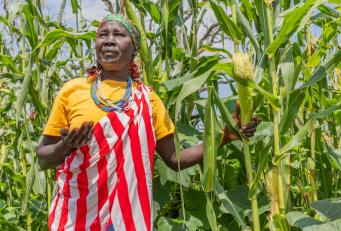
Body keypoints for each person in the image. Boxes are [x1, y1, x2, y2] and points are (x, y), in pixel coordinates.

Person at [37, 14, 259, 231]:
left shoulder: (147, 99)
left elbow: (175, 159)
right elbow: (43, 158)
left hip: (128, 218)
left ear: (134, 49)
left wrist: (224, 136)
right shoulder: (72, 90)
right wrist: (65, 147)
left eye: (119, 34)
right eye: (102, 34)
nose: (109, 39)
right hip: (77, 215)